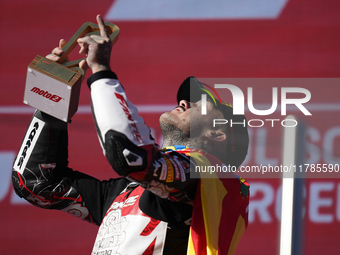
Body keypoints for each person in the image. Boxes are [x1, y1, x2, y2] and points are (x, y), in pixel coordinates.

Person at [12, 14, 249, 255]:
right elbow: (37, 183)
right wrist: (55, 99)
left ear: (218, 134)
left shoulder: (207, 179)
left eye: (202, 104)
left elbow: (130, 156)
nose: (184, 102)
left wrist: (101, 70)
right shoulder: (128, 190)